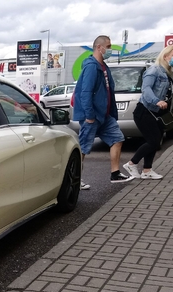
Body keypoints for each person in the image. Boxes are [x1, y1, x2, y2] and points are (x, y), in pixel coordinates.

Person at [73, 35, 133, 189]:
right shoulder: (92, 66)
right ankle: (74, 179)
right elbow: (85, 92)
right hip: (92, 116)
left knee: (117, 139)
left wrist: (111, 113)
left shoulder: (103, 67)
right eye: (108, 46)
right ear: (99, 47)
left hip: (105, 116)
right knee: (84, 147)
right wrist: (90, 116)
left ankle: (115, 174)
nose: (110, 49)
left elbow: (107, 91)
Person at [123, 45, 173, 180]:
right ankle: (131, 163)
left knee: (154, 140)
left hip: (156, 113)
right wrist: (157, 101)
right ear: (165, 56)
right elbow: (146, 89)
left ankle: (147, 170)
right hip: (144, 111)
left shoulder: (168, 73)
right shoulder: (154, 70)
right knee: (153, 141)